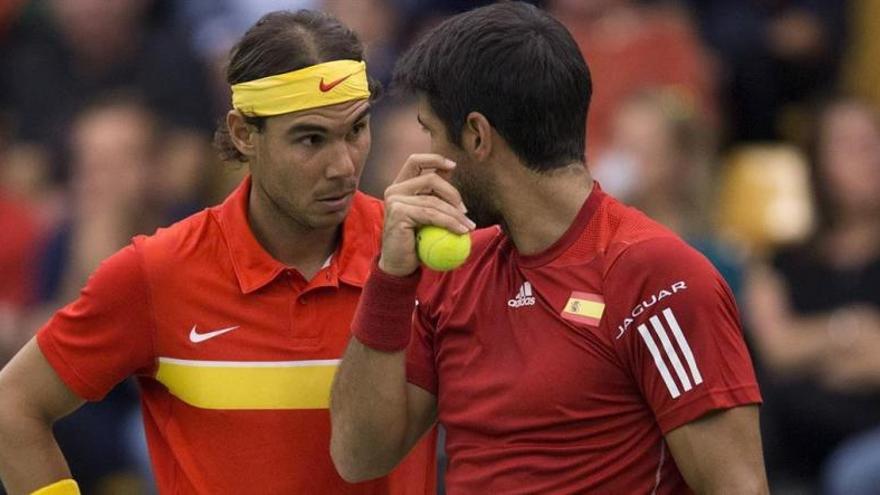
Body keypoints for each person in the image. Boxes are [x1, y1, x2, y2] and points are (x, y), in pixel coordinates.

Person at [330, 3, 767, 493]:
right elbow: (358, 454)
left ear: (477, 136)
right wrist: (390, 278)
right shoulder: (453, 273)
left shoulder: (658, 278)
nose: (422, 159)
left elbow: (737, 487)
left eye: (430, 133)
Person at [0, 10, 435, 495]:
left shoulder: (421, 259)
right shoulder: (158, 271)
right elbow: (12, 406)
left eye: (356, 130)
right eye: (310, 138)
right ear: (245, 134)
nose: (343, 165)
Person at [744, 98, 880, 493]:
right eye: (852, 146)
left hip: (865, 439)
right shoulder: (783, 261)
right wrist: (852, 329)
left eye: (874, 141)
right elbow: (777, 349)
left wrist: (812, 347)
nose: (872, 157)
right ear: (819, 164)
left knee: (854, 474)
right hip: (796, 438)